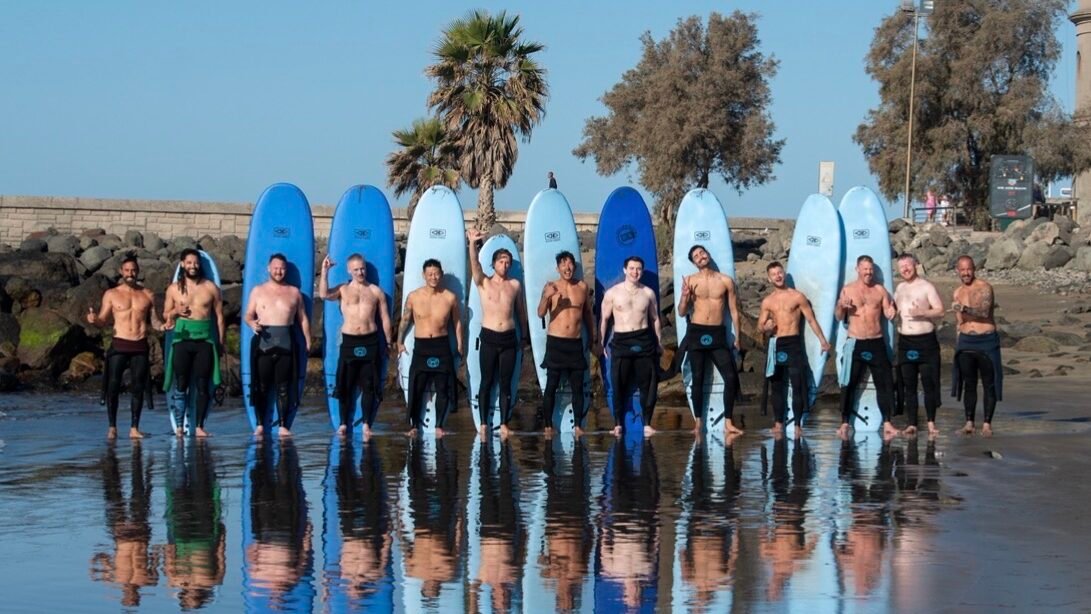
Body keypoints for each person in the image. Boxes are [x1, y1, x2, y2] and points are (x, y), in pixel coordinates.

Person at [87, 254, 164, 440]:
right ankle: (112, 427)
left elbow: (155, 322)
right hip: (119, 344)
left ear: (138, 271)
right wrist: (94, 320)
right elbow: (103, 320)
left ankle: (134, 428)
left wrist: (165, 326)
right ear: (121, 271)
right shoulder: (112, 294)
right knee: (113, 386)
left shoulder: (147, 294)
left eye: (134, 270)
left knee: (138, 387)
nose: (130, 274)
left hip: (140, 345)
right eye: (127, 270)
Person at [318, 252, 393, 437]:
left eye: (362, 269)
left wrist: (388, 342)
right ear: (349, 271)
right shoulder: (343, 289)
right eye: (356, 269)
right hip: (350, 341)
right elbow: (323, 295)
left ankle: (367, 424)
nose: (360, 272)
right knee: (345, 384)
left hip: (370, 340)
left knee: (369, 385)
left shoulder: (376, 291)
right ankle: (343, 423)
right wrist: (324, 271)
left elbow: (385, 319)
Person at [676, 245, 744, 436]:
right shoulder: (690, 281)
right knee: (697, 378)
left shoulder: (725, 281)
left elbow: (734, 311)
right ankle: (698, 423)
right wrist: (684, 297)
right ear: (694, 262)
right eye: (696, 256)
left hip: (717, 333)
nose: (700, 256)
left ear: (708, 254)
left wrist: (738, 337)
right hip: (696, 332)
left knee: (730, 377)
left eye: (702, 253)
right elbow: (681, 312)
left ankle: (728, 422)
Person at [757, 261, 831, 437]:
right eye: (774, 274)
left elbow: (811, 320)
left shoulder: (797, 297)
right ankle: (778, 423)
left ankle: (798, 424)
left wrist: (823, 341)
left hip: (793, 343)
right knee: (776, 385)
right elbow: (760, 326)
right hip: (777, 343)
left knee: (797, 383)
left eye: (779, 272)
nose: (778, 276)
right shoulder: (768, 301)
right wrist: (766, 327)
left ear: (784, 273)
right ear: (769, 279)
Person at [243, 253, 311, 439]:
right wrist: (251, 323)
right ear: (268, 268)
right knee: (261, 386)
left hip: (286, 344)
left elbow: (303, 320)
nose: (278, 271)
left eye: (282, 268)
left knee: (284, 387)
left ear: (286, 270)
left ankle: (283, 426)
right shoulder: (258, 291)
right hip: (263, 343)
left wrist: (307, 340)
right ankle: (260, 424)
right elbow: (248, 314)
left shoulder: (294, 292)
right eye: (275, 268)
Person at [468, 229, 526, 437]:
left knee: (506, 384)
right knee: (486, 381)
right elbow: (474, 265)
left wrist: (524, 337)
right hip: (489, 338)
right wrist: (472, 244)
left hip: (509, 338)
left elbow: (521, 312)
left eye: (508, 261)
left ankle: (504, 424)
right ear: (493, 264)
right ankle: (484, 423)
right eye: (501, 261)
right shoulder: (483, 282)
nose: (505, 265)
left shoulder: (515, 285)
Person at [163, 248, 225, 438]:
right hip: (182, 340)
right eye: (189, 262)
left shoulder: (211, 288)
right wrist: (175, 312)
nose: (193, 266)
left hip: (204, 341)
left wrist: (221, 342)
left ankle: (199, 426)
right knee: (181, 383)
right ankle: (179, 427)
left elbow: (219, 317)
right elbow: (166, 314)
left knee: (202, 384)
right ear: (182, 264)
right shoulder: (173, 289)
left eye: (196, 263)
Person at [398, 258, 463, 437]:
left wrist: (459, 344)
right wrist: (399, 342)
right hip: (422, 346)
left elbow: (457, 322)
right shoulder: (414, 296)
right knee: (416, 387)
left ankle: (439, 426)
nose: (433, 277)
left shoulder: (450, 297)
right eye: (430, 274)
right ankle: (414, 425)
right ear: (424, 275)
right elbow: (405, 320)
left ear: (441, 274)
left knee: (443, 388)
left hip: (442, 346)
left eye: (436, 274)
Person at [835, 255, 898, 438]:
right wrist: (841, 306)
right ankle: (844, 423)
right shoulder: (848, 290)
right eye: (865, 269)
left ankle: (887, 423)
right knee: (848, 383)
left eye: (870, 269)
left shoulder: (880, 290)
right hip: (855, 342)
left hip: (876, 341)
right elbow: (838, 316)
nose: (868, 272)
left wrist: (892, 312)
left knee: (884, 383)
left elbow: (888, 312)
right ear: (858, 269)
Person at [599, 256, 663, 437]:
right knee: (618, 383)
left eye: (639, 269)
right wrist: (600, 343)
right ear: (625, 270)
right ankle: (618, 423)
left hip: (643, 340)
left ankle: (647, 423)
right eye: (632, 268)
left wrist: (659, 342)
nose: (635, 272)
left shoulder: (648, 293)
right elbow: (604, 320)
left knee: (648, 384)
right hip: (621, 340)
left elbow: (655, 319)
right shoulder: (612, 293)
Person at [536, 250, 597, 435]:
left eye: (570, 264)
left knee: (578, 387)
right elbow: (540, 313)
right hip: (556, 343)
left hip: (575, 343)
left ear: (574, 267)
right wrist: (546, 296)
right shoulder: (551, 287)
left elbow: (587, 314)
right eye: (563, 264)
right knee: (551, 386)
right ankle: (548, 426)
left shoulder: (583, 287)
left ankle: (578, 426)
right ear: (558, 268)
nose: (567, 267)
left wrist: (592, 337)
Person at [892, 253, 945, 437]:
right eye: (902, 267)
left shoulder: (926, 286)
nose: (905, 269)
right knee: (909, 385)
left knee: (929, 384)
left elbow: (940, 311)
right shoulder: (899, 288)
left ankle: (931, 423)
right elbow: (893, 310)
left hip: (925, 341)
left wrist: (923, 312)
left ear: (915, 265)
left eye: (908, 265)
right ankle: (912, 423)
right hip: (905, 342)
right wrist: (891, 313)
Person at [951, 255, 1002, 436]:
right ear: (957, 271)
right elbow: (959, 321)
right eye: (962, 270)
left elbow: (984, 312)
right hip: (966, 341)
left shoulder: (984, 287)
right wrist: (958, 340)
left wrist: (963, 308)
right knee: (969, 383)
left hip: (986, 340)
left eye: (969, 269)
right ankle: (969, 423)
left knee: (989, 383)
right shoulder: (957, 292)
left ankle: (987, 424)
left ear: (974, 269)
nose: (966, 273)